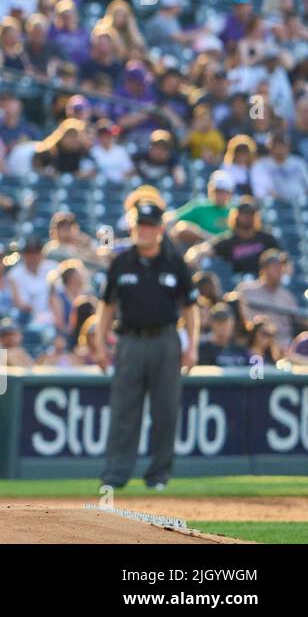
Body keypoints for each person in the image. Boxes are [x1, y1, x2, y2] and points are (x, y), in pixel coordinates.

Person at [95, 201, 198, 491]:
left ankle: (159, 475)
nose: (144, 231)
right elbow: (106, 307)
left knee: (165, 410)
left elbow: (191, 308)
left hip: (166, 340)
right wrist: (100, 345)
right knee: (124, 410)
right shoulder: (121, 261)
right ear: (133, 227)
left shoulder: (175, 261)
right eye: (140, 225)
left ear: (160, 229)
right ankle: (115, 475)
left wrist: (192, 347)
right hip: (129, 340)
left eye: (150, 226)